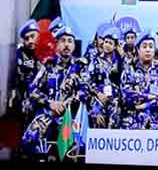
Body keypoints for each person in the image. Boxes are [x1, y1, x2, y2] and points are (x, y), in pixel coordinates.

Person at [22, 25, 88, 159]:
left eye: (70, 41)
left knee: (77, 148)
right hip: (49, 112)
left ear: (74, 45)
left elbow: (85, 90)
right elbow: (33, 89)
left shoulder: (80, 67)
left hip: (70, 115)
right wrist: (50, 103)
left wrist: (66, 104)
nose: (67, 45)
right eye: (63, 40)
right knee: (29, 140)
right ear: (57, 44)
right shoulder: (48, 65)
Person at [120, 31, 158, 130]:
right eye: (144, 47)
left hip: (156, 117)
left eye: (151, 47)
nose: (148, 50)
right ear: (138, 50)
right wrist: (148, 96)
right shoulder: (129, 68)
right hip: (133, 116)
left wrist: (146, 105)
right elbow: (126, 94)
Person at [84, 25, 122, 128]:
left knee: (115, 117)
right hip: (99, 96)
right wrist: (98, 93)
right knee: (97, 115)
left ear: (115, 46)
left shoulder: (119, 62)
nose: (107, 45)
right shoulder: (96, 60)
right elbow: (87, 80)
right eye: (105, 42)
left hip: (115, 98)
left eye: (110, 43)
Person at [9, 20, 41, 123]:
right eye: (27, 39)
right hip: (29, 98)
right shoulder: (22, 54)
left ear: (39, 36)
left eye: (33, 36)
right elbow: (19, 77)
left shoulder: (47, 52)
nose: (30, 41)